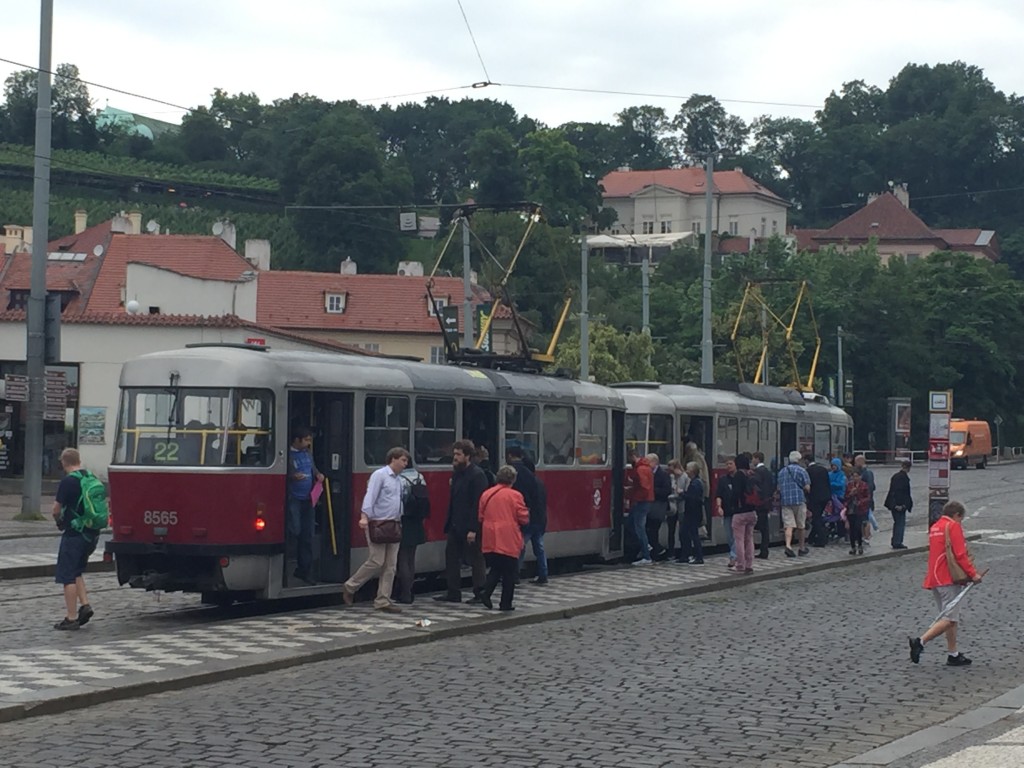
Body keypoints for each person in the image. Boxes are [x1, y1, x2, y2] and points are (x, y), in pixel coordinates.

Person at [908, 501, 982, 666]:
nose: (960, 522)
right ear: (957, 515)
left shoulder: (935, 527)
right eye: (961, 519)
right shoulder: (953, 526)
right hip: (948, 578)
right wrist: (973, 574)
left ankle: (953, 653)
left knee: (951, 617)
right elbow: (960, 554)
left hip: (935, 577)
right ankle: (920, 641)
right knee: (949, 618)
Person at [342, 447, 408, 613]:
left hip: (394, 523)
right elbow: (370, 496)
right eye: (403, 460)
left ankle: (383, 599)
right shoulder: (379, 475)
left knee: (391, 565)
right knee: (376, 560)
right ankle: (351, 586)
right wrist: (365, 516)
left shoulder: (399, 480)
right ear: (393, 459)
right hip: (378, 523)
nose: (405, 464)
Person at [51, 448, 99, 630]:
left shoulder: (68, 482)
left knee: (67, 575)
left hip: (74, 533)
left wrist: (59, 521)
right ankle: (85, 605)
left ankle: (71, 618)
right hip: (91, 534)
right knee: (77, 570)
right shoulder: (90, 477)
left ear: (64, 462)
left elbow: (56, 510)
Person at [437, 439, 489, 602]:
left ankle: (480, 592)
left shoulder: (477, 475)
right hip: (455, 524)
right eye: (454, 454)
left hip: (470, 526)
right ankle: (453, 592)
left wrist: (474, 528)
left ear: (468, 456)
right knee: (451, 558)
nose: (455, 457)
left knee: (476, 559)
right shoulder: (457, 474)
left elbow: (477, 504)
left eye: (458, 454)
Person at [477, 465, 531, 611]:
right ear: (513, 479)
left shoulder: (486, 494)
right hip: (507, 536)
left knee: (496, 568)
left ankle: (486, 592)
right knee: (509, 572)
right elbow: (523, 518)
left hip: (490, 536)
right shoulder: (515, 496)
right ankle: (505, 603)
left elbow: (481, 516)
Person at [287, 426, 324, 585]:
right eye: (306, 440)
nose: (309, 443)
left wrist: (318, 475)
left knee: (307, 535)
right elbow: (285, 474)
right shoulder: (288, 455)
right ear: (297, 440)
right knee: (294, 530)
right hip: (293, 498)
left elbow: (313, 468)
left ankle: (304, 570)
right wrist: (293, 477)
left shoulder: (307, 453)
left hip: (309, 498)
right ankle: (288, 564)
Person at [507, 446, 548, 585]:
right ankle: (543, 574)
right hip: (539, 519)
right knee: (539, 548)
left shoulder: (520, 477)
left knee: (519, 547)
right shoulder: (539, 482)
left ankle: (514, 574)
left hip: (528, 519)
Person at [394, 462, 430, 605]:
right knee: (410, 558)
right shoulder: (419, 476)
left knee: (402, 558)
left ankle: (405, 594)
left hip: (404, 520)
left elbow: (398, 500)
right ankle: (409, 591)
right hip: (417, 521)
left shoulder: (399, 478)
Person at [777, 451, 811, 557]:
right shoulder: (802, 470)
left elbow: (778, 488)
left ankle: (788, 545)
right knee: (801, 525)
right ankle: (801, 547)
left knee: (788, 525)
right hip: (799, 500)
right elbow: (807, 487)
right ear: (799, 460)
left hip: (786, 501)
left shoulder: (782, 471)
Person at [716, 456, 747, 570]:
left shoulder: (740, 478)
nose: (728, 466)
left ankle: (733, 557)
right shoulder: (723, 479)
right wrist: (719, 507)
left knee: (736, 536)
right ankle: (736, 554)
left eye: (730, 464)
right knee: (729, 537)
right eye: (726, 464)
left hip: (738, 512)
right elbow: (718, 494)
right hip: (727, 511)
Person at [627, 449, 654, 565]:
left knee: (638, 527)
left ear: (633, 456)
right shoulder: (647, 468)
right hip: (645, 500)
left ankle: (646, 554)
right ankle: (645, 547)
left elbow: (644, 486)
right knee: (633, 524)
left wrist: (633, 491)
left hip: (641, 501)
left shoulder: (640, 469)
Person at [731, 454, 757, 574]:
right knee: (749, 539)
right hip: (752, 511)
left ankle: (740, 564)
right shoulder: (751, 474)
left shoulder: (738, 475)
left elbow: (735, 493)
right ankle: (749, 564)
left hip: (740, 512)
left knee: (739, 540)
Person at [677, 461, 704, 564]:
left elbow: (693, 498)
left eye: (687, 469)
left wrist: (682, 493)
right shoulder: (695, 482)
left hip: (693, 513)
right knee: (686, 533)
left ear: (692, 471)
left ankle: (698, 557)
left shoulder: (695, 483)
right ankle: (686, 555)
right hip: (692, 512)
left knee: (692, 534)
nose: (686, 471)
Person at [648, 453, 672, 561]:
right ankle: (656, 551)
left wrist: (653, 490)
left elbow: (666, 491)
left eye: (648, 462)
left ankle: (657, 551)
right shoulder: (648, 473)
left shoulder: (663, 475)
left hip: (659, 506)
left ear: (655, 462)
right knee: (649, 530)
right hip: (650, 506)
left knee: (653, 530)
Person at [885, 458, 913, 550]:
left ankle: (896, 541)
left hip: (894, 503)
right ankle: (897, 542)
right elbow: (901, 493)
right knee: (900, 523)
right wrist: (901, 505)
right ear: (908, 468)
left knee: (898, 522)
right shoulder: (903, 478)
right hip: (898, 504)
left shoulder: (896, 476)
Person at [683, 441, 711, 534]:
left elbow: (697, 471)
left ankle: (702, 529)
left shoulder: (696, 457)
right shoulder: (696, 455)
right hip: (701, 486)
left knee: (699, 509)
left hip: (700, 488)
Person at [751, 451, 774, 560]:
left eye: (753, 459)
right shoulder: (768, 472)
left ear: (757, 459)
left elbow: (754, 485)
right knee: (765, 528)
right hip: (767, 501)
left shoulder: (757, 472)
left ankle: (763, 551)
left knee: (761, 527)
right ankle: (764, 550)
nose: (752, 461)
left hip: (759, 502)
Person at [806, 455, 832, 547]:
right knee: (818, 517)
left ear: (806, 461)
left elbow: (808, 486)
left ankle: (822, 539)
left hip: (815, 498)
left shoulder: (808, 471)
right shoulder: (823, 469)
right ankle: (811, 537)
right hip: (825, 497)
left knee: (816, 519)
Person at [845, 467, 871, 555]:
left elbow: (868, 497)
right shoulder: (849, 485)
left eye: (857, 476)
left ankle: (859, 545)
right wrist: (850, 494)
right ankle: (853, 547)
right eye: (853, 476)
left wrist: (860, 502)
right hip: (851, 508)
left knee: (857, 527)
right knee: (851, 529)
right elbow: (845, 497)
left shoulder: (864, 485)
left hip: (860, 509)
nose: (855, 478)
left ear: (860, 476)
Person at [854, 455, 878, 544]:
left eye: (856, 462)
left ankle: (866, 536)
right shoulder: (865, 472)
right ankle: (864, 535)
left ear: (860, 462)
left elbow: (871, 487)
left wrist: (867, 498)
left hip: (866, 500)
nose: (855, 464)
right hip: (865, 500)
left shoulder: (867, 473)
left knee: (865, 519)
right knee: (864, 518)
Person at [665, 458, 687, 561]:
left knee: (682, 531)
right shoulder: (671, 477)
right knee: (671, 530)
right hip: (673, 507)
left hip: (682, 507)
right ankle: (671, 553)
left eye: (672, 470)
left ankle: (684, 553)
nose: (671, 473)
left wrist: (676, 494)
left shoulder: (684, 477)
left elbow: (685, 493)